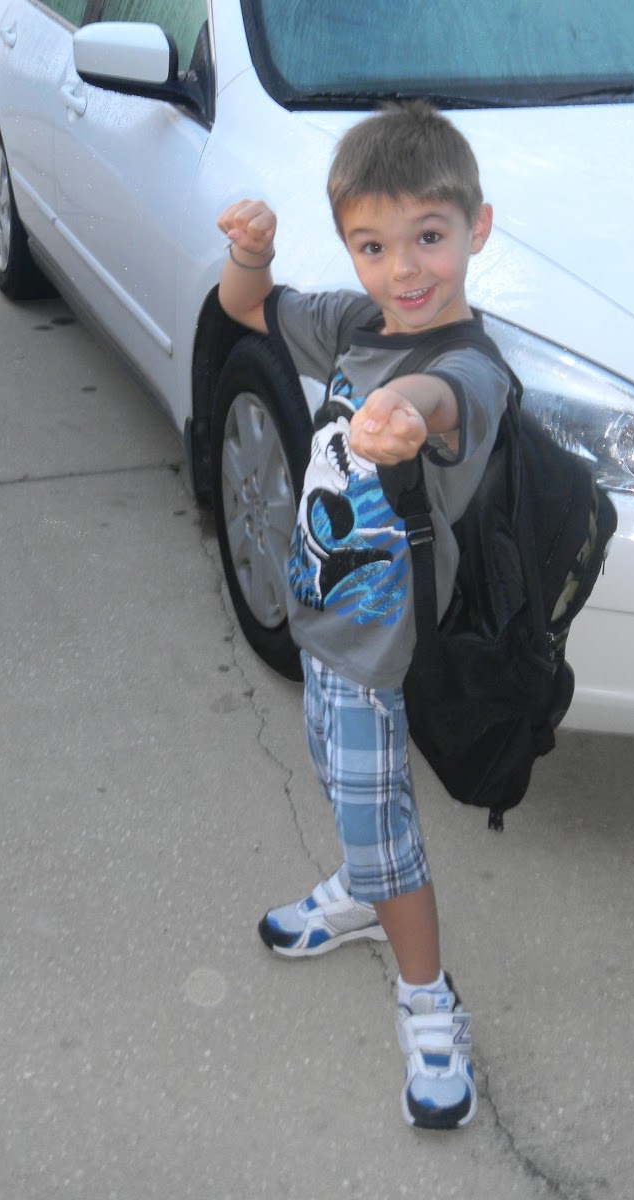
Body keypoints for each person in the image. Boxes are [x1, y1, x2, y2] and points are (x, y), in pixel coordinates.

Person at [216, 101, 509, 1132]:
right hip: (323, 623)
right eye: (373, 245)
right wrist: (252, 255)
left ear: (475, 228)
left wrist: (404, 415)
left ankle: (428, 1002)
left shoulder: (471, 365)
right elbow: (247, 308)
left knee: (385, 826)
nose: (404, 269)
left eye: (428, 236)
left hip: (383, 652)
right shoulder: (353, 326)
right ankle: (357, 888)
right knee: (346, 785)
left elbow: (443, 398)